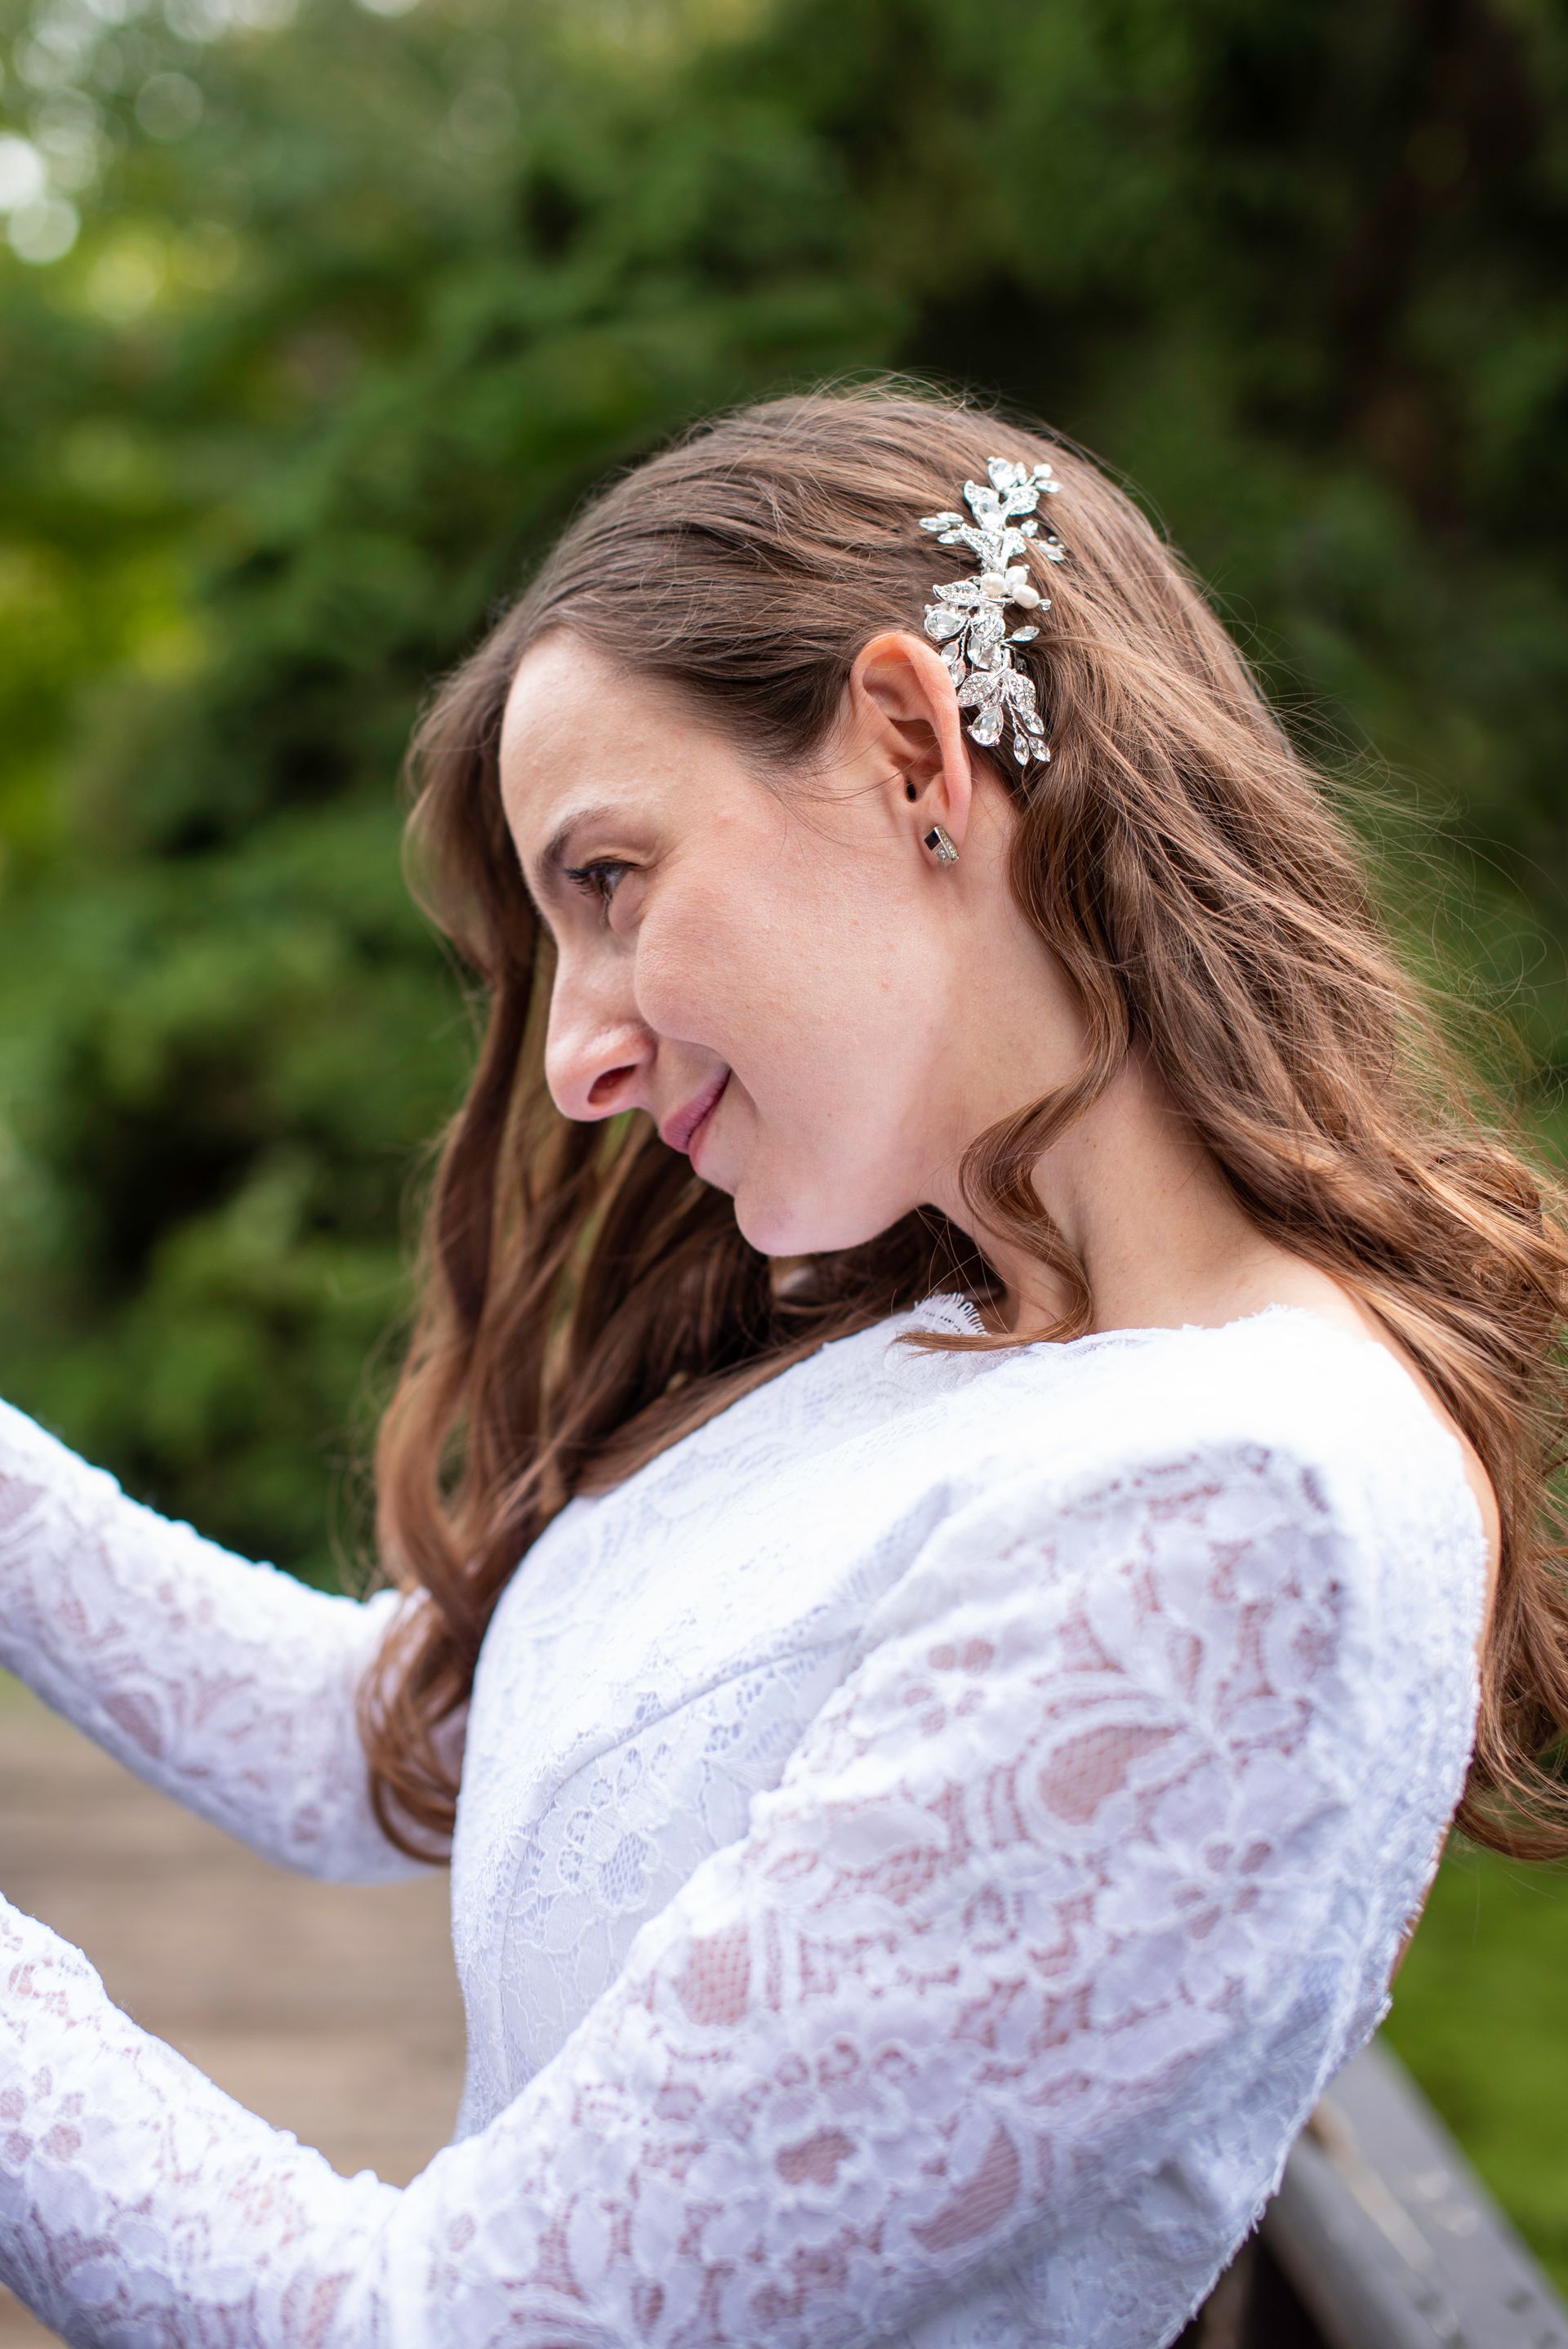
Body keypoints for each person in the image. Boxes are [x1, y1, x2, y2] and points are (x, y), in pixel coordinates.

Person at [0, 376, 1563, 2349]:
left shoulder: (1235, 1510)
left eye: (609, 880)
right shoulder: (954, 1344)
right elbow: (377, 1740)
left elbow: (457, 2329)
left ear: (917, 746)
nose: (576, 1058)